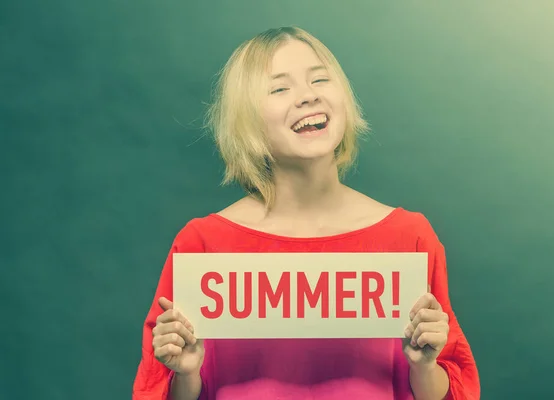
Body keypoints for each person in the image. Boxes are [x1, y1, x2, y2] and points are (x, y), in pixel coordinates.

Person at [132, 26, 480, 400]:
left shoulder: (409, 236)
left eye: (319, 79)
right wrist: (185, 374)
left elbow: (452, 391)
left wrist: (423, 365)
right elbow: (158, 390)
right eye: (280, 88)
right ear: (246, 119)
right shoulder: (202, 243)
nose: (308, 96)